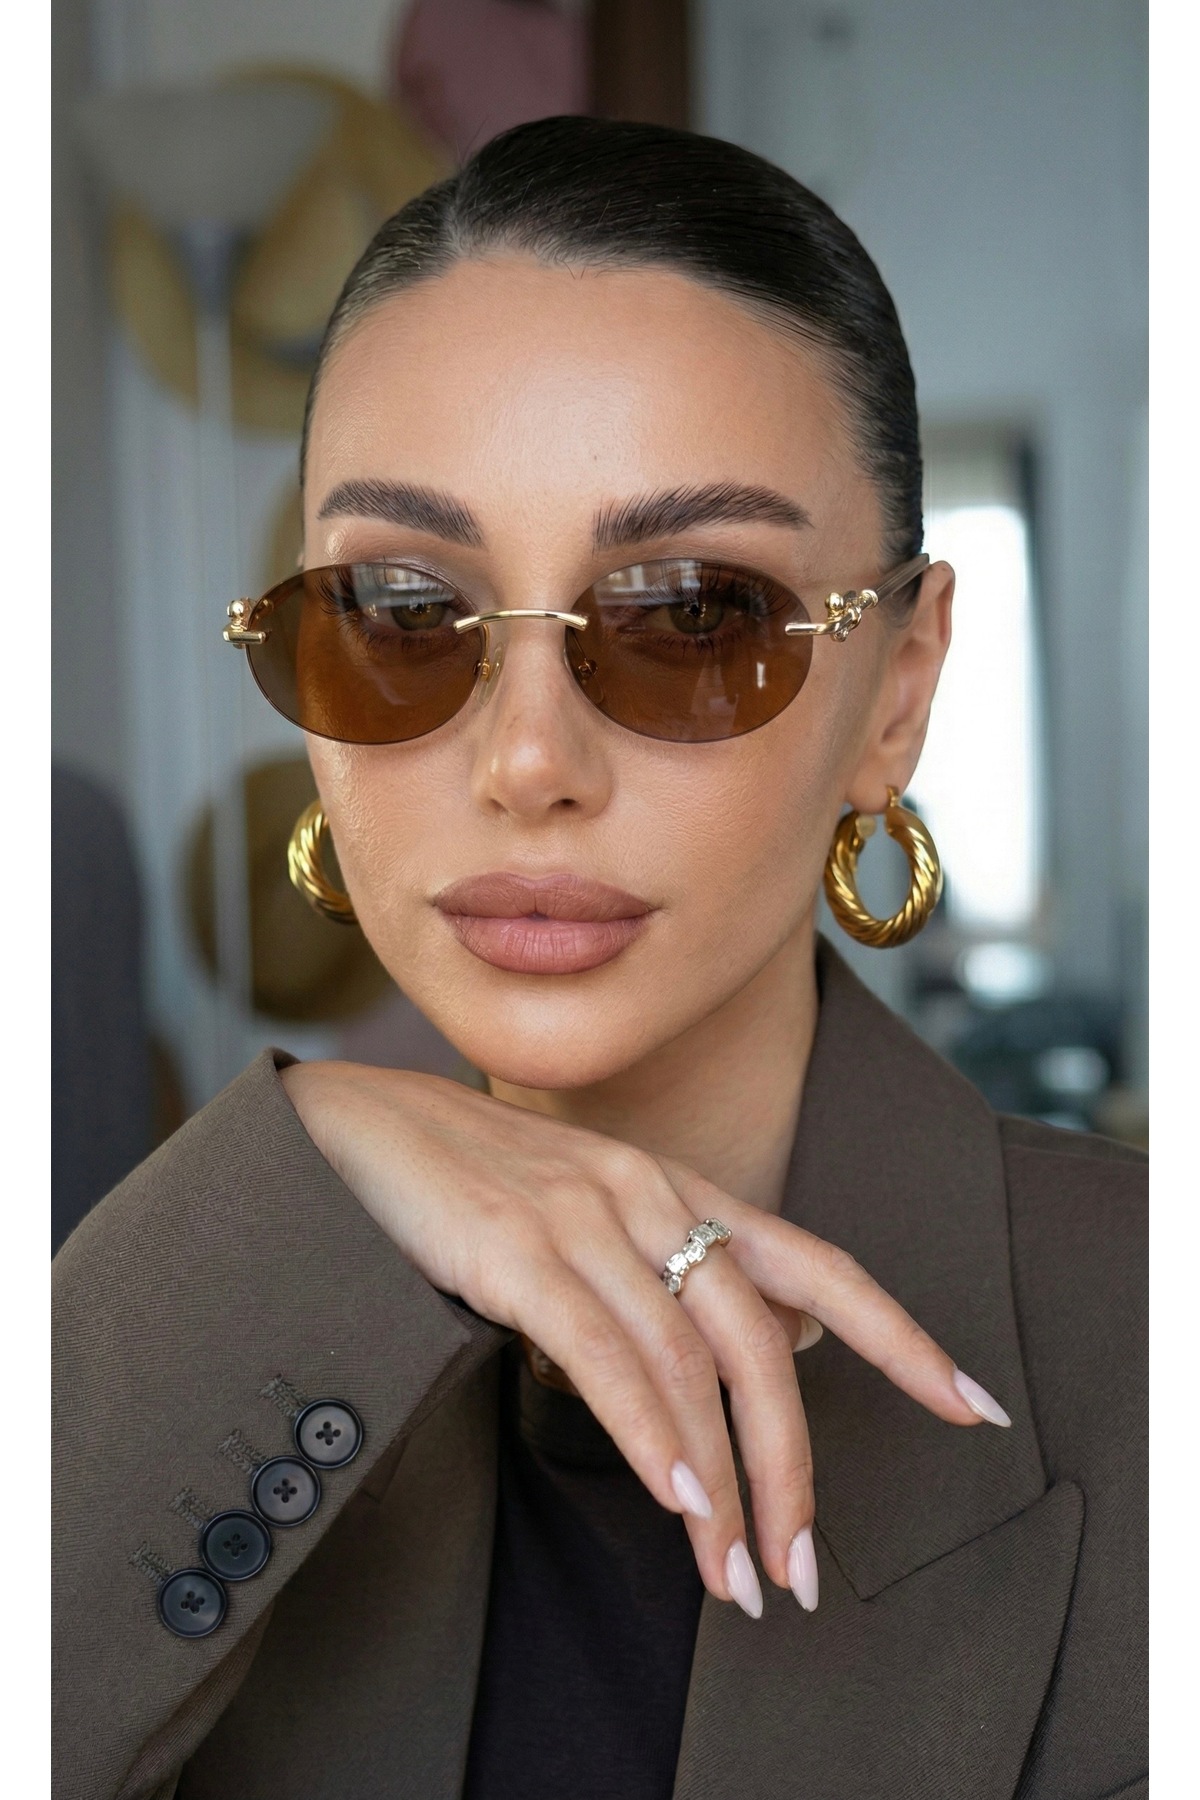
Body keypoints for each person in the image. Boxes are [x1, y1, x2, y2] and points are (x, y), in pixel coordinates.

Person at [53, 117, 1146, 1800]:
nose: (526, 761)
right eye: (402, 607)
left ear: (899, 688)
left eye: (693, 612)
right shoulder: (194, 1339)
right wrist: (307, 1158)